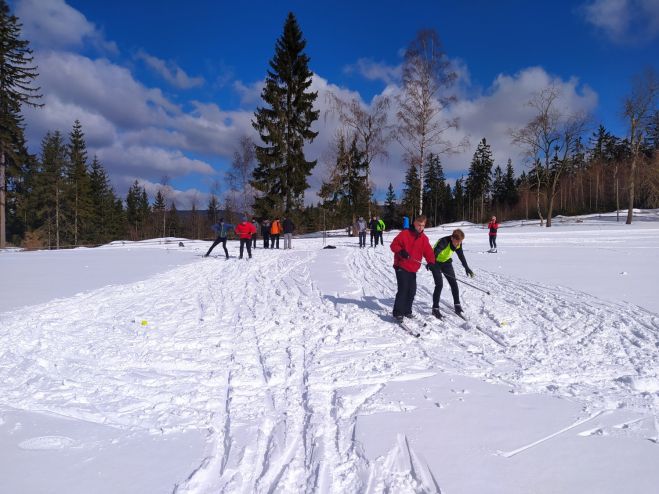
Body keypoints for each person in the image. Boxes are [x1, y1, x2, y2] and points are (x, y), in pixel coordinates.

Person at [389, 215, 436, 322]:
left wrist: (431, 262)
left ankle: (407, 311)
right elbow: (393, 245)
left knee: (412, 291)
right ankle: (398, 313)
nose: (421, 228)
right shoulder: (404, 234)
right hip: (401, 265)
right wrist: (401, 251)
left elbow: (428, 252)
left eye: (423, 226)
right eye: (419, 225)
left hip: (413, 268)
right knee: (403, 289)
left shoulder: (424, 238)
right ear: (414, 223)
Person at [428, 229, 475, 319]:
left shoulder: (458, 243)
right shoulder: (443, 242)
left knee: (454, 283)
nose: (458, 244)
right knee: (439, 285)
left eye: (460, 242)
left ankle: (457, 305)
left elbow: (461, 256)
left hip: (446, 263)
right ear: (452, 238)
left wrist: (466, 267)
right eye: (457, 242)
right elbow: (434, 253)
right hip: (435, 262)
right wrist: (431, 264)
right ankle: (435, 308)